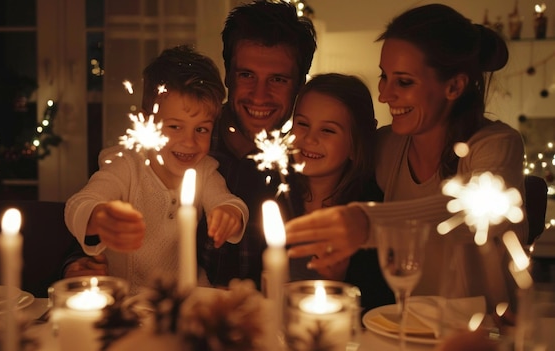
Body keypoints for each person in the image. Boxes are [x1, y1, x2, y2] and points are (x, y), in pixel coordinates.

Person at [285, 3, 528, 307]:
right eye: (384, 77)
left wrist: (366, 223)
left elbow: (476, 211)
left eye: (404, 81)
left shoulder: (497, 144)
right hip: (402, 327)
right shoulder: (387, 146)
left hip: (487, 332)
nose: (385, 95)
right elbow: (328, 153)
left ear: (454, 86)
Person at [64, 45, 249, 294]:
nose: (189, 141)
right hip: (125, 298)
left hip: (185, 296)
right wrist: (98, 217)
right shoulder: (126, 165)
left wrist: (230, 214)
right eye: (175, 127)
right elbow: (80, 203)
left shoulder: (204, 170)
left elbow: (229, 202)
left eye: (201, 129)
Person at [197, 0, 317, 289]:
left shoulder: (307, 163)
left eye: (277, 79)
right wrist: (81, 259)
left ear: (299, 85)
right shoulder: (186, 140)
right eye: (247, 75)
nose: (259, 95)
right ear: (228, 75)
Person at [286, 73, 394, 313]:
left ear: (356, 143)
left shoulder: (368, 213)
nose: (310, 138)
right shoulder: (272, 191)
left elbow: (381, 307)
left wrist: (341, 278)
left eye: (328, 130)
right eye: (302, 123)